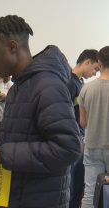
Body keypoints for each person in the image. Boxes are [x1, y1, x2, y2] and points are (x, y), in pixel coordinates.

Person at [0, 15, 81, 208]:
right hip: (18, 197)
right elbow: (26, 138)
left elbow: (68, 148)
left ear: (12, 47)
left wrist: (3, 154)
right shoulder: (19, 87)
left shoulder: (47, 86)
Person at [67, 49, 99, 208]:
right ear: (87, 62)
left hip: (81, 142)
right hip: (72, 142)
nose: (94, 73)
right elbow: (66, 116)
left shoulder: (81, 84)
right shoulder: (69, 82)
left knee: (79, 188)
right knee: (70, 188)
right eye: (95, 69)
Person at [79, 46, 109, 208]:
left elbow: (83, 123)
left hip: (92, 146)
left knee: (90, 191)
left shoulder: (86, 88)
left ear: (99, 62)